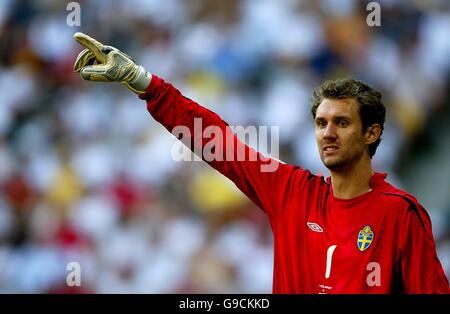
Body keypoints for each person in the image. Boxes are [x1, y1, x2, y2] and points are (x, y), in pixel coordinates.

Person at [73, 32, 449, 294]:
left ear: (371, 134)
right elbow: (216, 141)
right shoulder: (291, 192)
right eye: (321, 124)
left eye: (342, 123)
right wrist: (146, 84)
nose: (328, 134)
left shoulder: (401, 214)